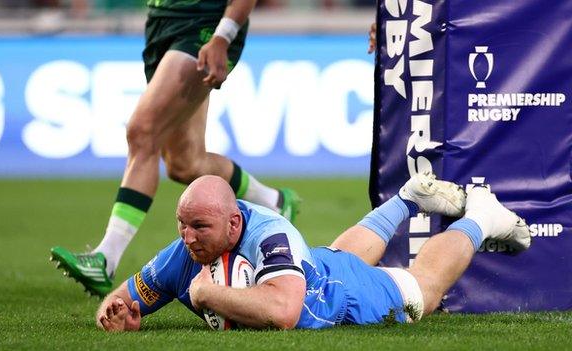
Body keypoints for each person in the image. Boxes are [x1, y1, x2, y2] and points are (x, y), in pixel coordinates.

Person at [49, 0, 302, 297]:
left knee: (143, 131)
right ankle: (274, 201)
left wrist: (222, 36)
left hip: (204, 25)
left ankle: (106, 258)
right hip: (161, 21)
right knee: (185, 163)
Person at [94, 173, 531, 331]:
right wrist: (117, 314)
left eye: (199, 227)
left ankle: (482, 217)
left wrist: (209, 296)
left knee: (422, 292)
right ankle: (408, 198)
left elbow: (284, 311)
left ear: (233, 223)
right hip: (313, 265)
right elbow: (121, 300)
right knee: (337, 254)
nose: (187, 237)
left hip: (335, 295)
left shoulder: (270, 235)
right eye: (182, 224)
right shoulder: (188, 249)